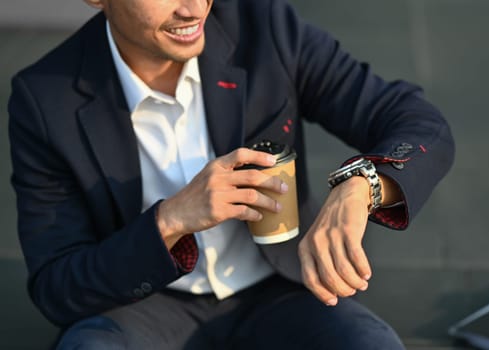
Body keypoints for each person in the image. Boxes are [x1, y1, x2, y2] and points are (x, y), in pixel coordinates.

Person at [8, 0, 454, 348]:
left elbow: (417, 122)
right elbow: (58, 286)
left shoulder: (266, 29)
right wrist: (170, 220)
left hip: (282, 291)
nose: (193, 9)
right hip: (138, 308)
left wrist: (362, 185)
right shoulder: (45, 99)